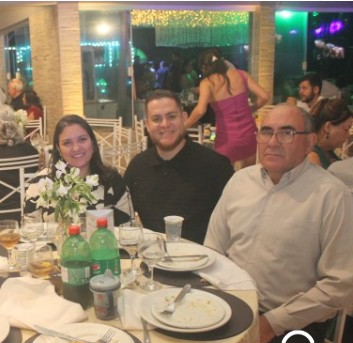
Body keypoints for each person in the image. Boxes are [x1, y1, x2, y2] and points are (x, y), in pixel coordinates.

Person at [205, 104, 353, 343]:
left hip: (293, 323)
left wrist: (271, 324)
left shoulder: (332, 196)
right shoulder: (239, 182)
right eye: (266, 132)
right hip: (230, 306)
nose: (273, 142)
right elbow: (213, 249)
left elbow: (340, 284)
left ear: (309, 142)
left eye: (287, 133)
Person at [125, 90, 233, 244]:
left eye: (171, 116)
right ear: (147, 125)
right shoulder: (137, 168)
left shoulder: (216, 166)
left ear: (184, 118)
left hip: (204, 256)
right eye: (156, 119)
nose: (165, 124)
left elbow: (235, 222)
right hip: (154, 255)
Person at [24, 114, 132, 226]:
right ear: (58, 148)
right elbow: (30, 231)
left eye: (82, 139)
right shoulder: (41, 184)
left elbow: (127, 230)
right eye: (67, 143)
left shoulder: (112, 182)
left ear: (92, 143)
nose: (76, 148)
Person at [185, 49, 269, 167]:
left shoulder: (207, 83)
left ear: (204, 67)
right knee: (247, 174)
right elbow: (265, 96)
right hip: (249, 132)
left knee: (225, 173)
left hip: (227, 136)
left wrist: (184, 126)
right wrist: (251, 109)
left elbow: (200, 110)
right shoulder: (242, 74)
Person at [307, 98, 352, 169]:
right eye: (346, 129)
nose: (348, 134)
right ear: (328, 127)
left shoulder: (328, 153)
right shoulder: (312, 158)